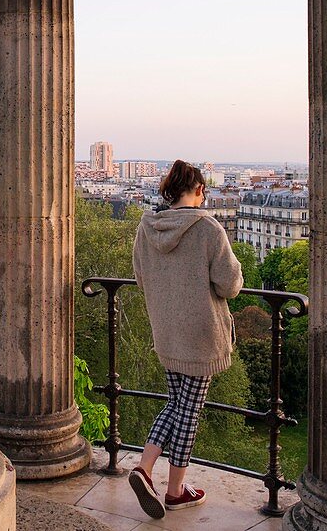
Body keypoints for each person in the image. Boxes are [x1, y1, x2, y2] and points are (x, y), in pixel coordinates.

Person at [127, 160, 243, 519]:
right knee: (189, 411)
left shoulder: (146, 228)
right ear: (197, 190)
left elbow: (140, 277)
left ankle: (145, 468)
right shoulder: (208, 229)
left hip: (166, 331)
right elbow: (230, 285)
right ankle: (175, 490)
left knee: (177, 403)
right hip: (201, 335)